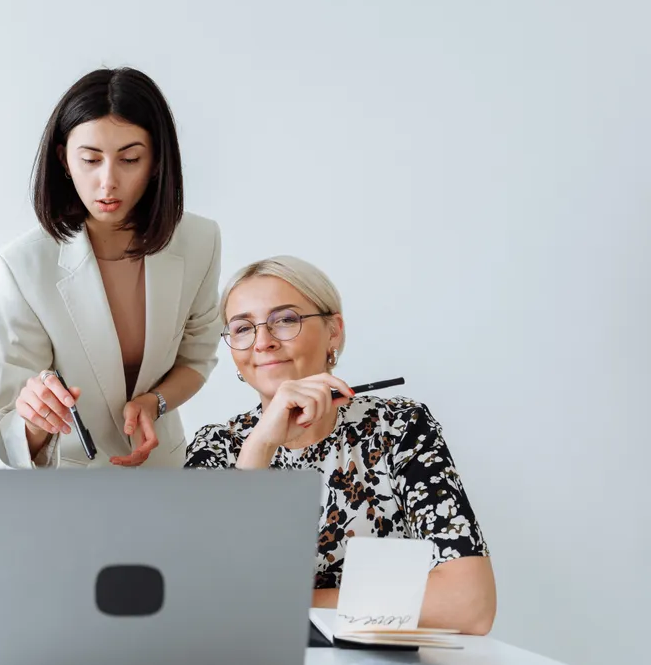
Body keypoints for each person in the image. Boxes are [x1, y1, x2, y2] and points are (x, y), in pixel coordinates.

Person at [185, 255, 496, 635]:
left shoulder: (398, 428)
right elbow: (197, 600)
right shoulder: (217, 445)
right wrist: (260, 447)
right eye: (243, 328)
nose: (263, 342)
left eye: (285, 320)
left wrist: (278, 602)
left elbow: (469, 604)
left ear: (333, 331)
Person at [0, 66, 222, 469]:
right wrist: (37, 415)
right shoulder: (21, 266)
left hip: (163, 469)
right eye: (90, 159)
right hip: (74, 482)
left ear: (156, 163)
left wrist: (155, 402)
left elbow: (196, 359)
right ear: (64, 159)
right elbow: (6, 431)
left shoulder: (200, 241)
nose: (107, 182)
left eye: (130, 159)